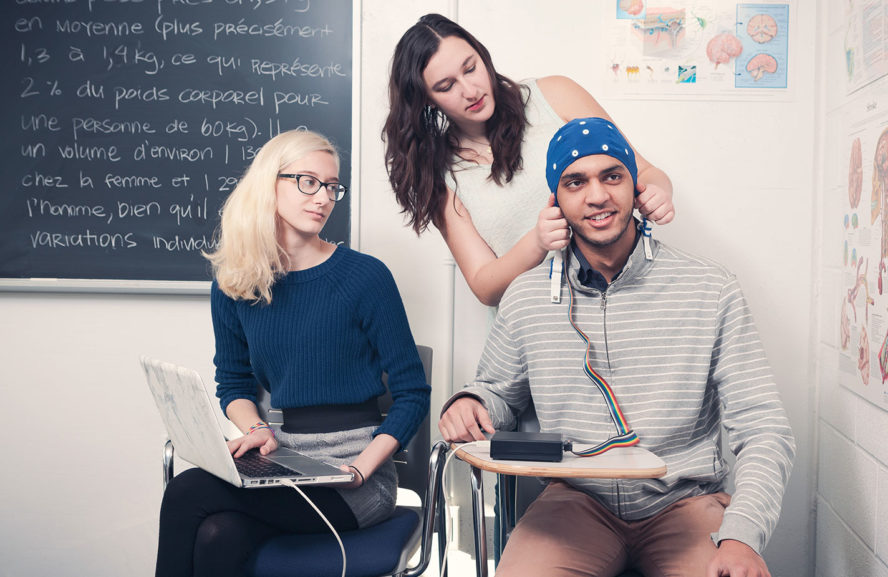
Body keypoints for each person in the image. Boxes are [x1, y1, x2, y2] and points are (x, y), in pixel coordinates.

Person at [438, 118, 795, 577]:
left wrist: (741, 537)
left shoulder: (711, 288)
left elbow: (764, 427)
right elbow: (497, 392)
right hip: (574, 503)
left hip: (686, 502)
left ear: (635, 187)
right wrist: (471, 401)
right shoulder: (526, 297)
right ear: (556, 201)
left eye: (612, 176)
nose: (597, 195)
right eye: (575, 182)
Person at [155, 129, 431, 577]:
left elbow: (413, 393)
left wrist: (360, 470)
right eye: (308, 181)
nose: (322, 197)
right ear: (270, 184)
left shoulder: (365, 277)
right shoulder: (234, 284)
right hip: (286, 467)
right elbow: (235, 383)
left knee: (187, 493)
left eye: (331, 186)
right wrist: (258, 429)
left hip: (355, 483)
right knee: (217, 537)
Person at [384, 13, 676, 306]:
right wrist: (537, 241)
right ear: (426, 99)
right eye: (446, 86)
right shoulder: (438, 175)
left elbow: (645, 172)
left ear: (483, 58)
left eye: (471, 68)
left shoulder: (553, 96)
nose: (470, 91)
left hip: (626, 298)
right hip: (536, 325)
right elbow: (484, 286)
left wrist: (658, 193)